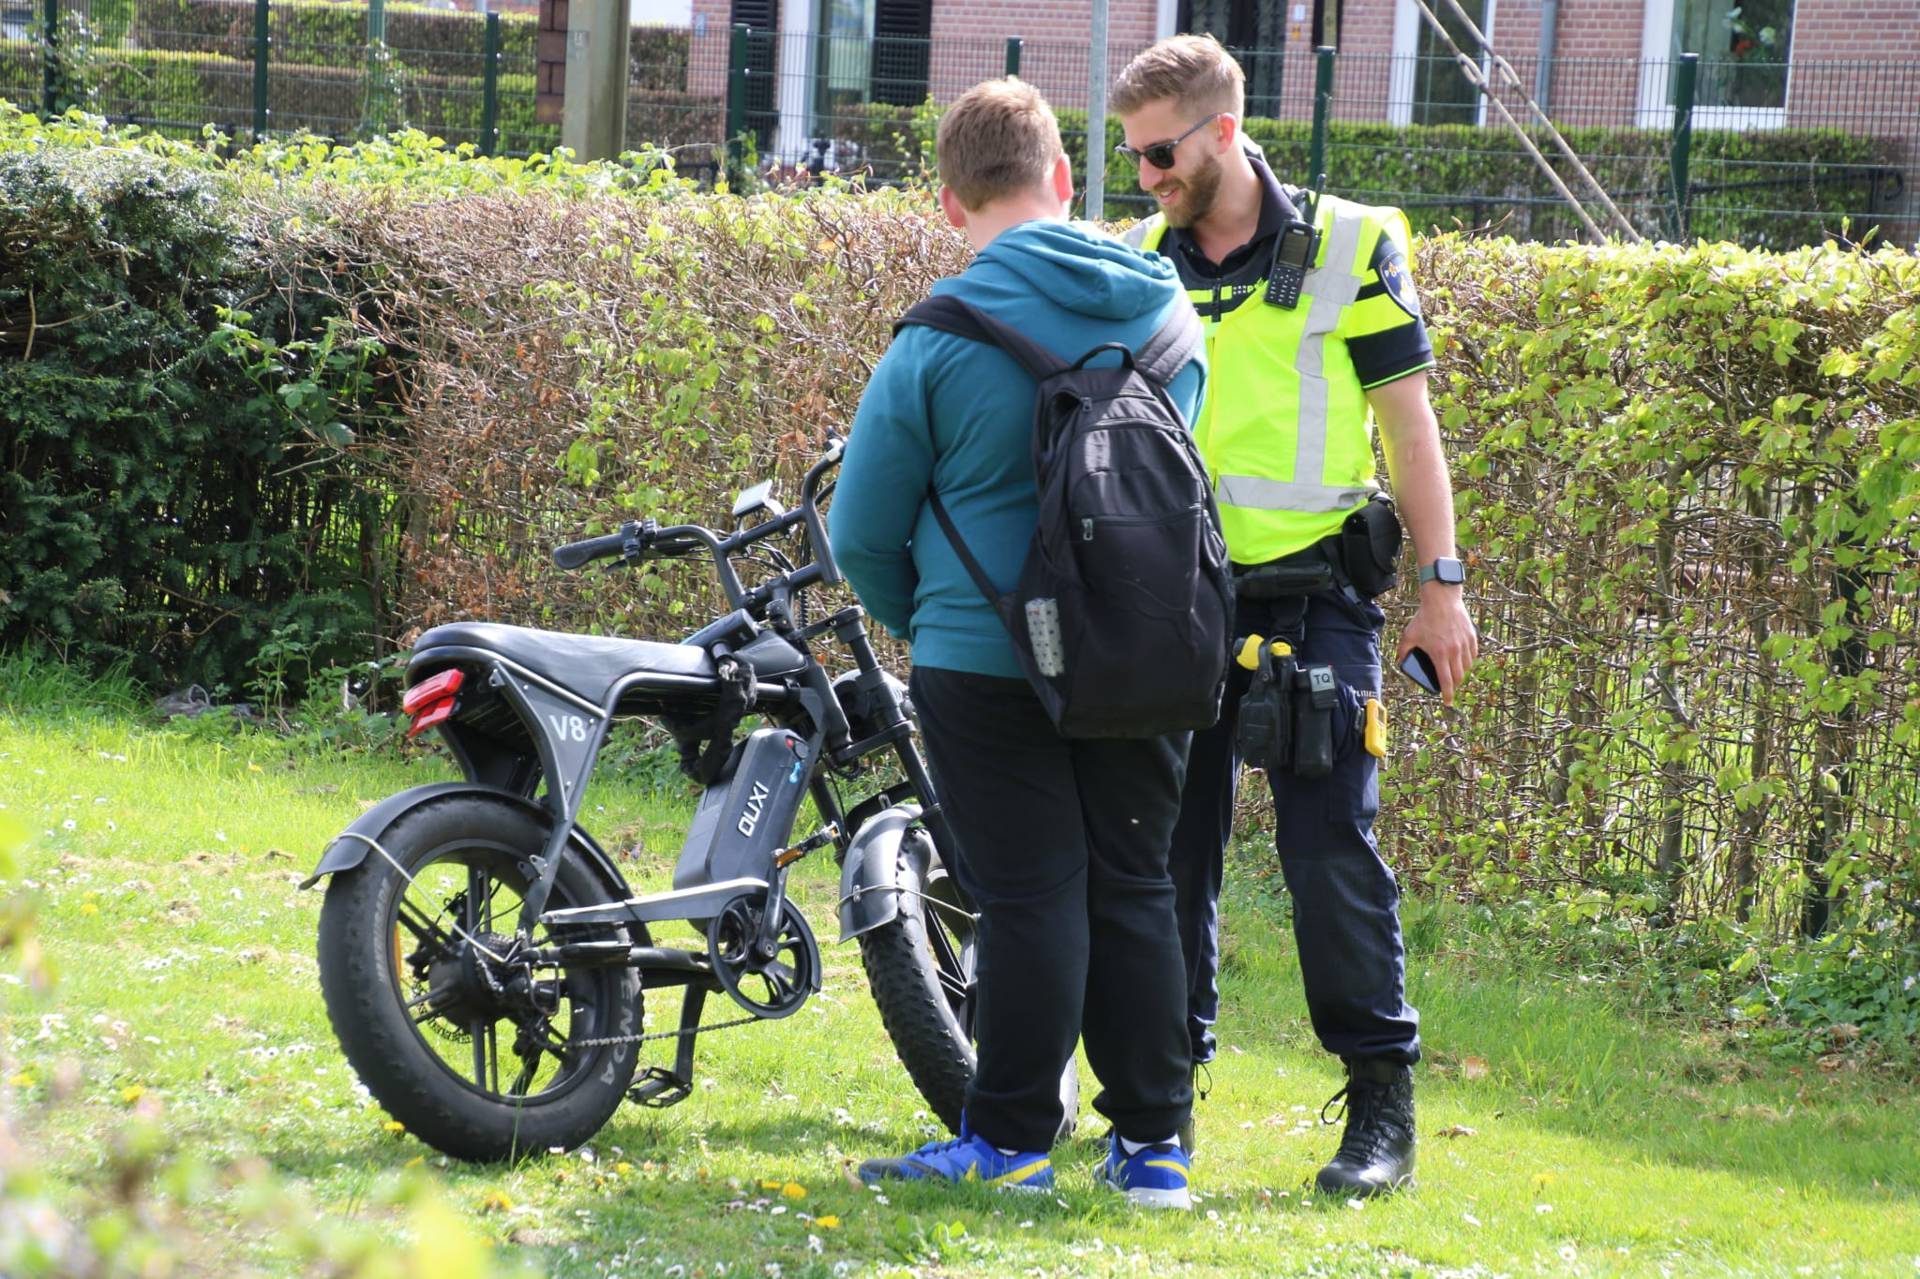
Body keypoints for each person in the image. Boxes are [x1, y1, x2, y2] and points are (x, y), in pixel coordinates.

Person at [1110, 35, 1479, 1197]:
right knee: (1166, 857)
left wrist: (1442, 584)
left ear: (1223, 131)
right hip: (1179, 602)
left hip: (1317, 598)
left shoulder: (1352, 244)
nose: (1147, 178)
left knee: (1328, 853)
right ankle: (1158, 1107)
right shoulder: (1139, 261)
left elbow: (1408, 425)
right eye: (1133, 158)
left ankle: (1381, 1109)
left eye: (1161, 154)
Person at [829, 76, 1206, 1209]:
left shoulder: (936, 338)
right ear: (1065, 178)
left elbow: (861, 533)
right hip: (1142, 654)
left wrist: (935, 619)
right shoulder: (1168, 316)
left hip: (984, 659)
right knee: (1136, 885)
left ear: (950, 203)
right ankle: (1154, 1149)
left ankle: (1010, 1144)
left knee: (1030, 894)